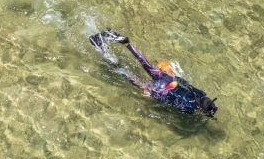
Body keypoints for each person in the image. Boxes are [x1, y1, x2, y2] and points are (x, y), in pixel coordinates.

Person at [88, 30, 218, 117]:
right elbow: (170, 102)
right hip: (161, 90)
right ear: (202, 110)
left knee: (145, 64)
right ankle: (105, 54)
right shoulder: (190, 109)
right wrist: (153, 95)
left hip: (169, 80)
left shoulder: (201, 94)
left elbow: (186, 83)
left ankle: (127, 43)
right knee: (130, 78)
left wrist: (173, 76)